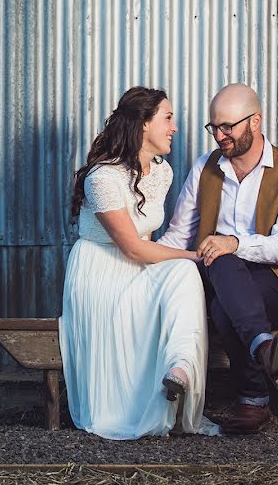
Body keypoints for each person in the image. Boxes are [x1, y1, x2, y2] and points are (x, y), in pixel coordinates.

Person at [59, 86, 220, 439]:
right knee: (185, 264)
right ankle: (138, 397)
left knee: (181, 273)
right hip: (101, 273)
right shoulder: (103, 177)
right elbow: (132, 247)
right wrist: (195, 254)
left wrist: (188, 260)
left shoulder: (162, 173)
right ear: (143, 125)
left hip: (139, 268)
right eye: (168, 118)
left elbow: (150, 244)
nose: (174, 127)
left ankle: (180, 368)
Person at [158, 83, 278, 435]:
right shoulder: (205, 167)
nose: (219, 135)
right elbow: (180, 233)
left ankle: (254, 391)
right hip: (217, 276)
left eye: (228, 126)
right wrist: (144, 260)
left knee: (223, 305)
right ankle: (263, 353)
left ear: (255, 121)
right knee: (221, 264)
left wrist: (233, 243)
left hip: (273, 284)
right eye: (214, 127)